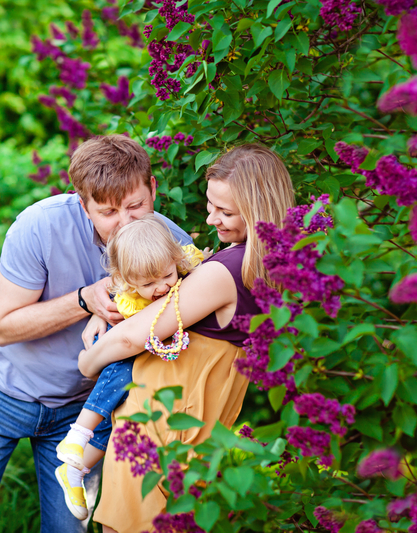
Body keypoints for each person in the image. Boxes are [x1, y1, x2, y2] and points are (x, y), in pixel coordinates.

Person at [0, 134, 192, 533]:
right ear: (84, 206)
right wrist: (85, 300)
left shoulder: (172, 244)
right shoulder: (39, 225)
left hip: (81, 412)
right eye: (108, 212)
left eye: (136, 206)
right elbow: (1, 327)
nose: (125, 223)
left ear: (153, 189)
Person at [77, 144, 296, 533]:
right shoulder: (266, 268)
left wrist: (87, 363)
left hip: (160, 427)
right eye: (211, 205)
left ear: (256, 211)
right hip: (197, 428)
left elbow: (132, 337)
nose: (211, 218)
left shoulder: (226, 271)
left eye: (225, 211)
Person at [55, 216, 205, 520]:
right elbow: (125, 333)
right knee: (121, 371)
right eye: (147, 284)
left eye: (167, 276)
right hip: (126, 354)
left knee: (113, 421)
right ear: (128, 280)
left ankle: (74, 470)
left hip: (156, 366)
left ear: (175, 259)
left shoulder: (186, 267)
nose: (161, 287)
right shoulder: (128, 298)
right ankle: (77, 434)